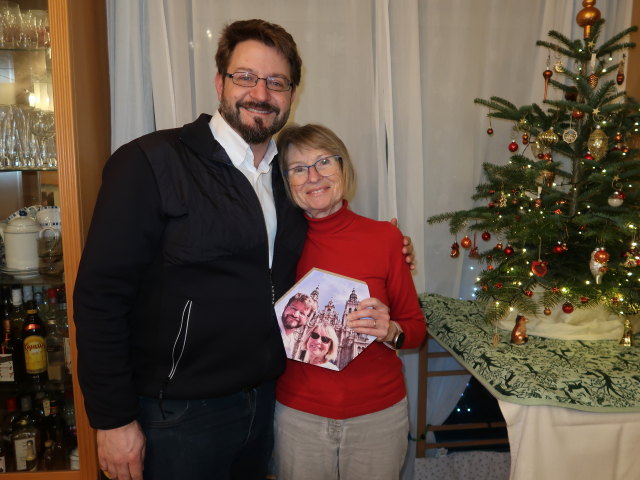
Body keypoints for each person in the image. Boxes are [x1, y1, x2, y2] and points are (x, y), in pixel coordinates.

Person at [73, 19, 414, 480]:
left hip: (264, 403)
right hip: (175, 414)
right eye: (246, 77)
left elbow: (316, 247)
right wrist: (112, 418)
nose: (261, 93)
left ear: (292, 94)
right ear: (220, 82)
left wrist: (389, 248)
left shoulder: (287, 178)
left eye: (277, 82)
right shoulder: (150, 162)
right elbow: (100, 298)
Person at [274, 123, 427, 480]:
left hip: (378, 416)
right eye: (298, 168)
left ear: (343, 167)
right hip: (298, 416)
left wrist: (390, 331)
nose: (314, 176)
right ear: (285, 181)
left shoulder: (385, 238)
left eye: (324, 161)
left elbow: (416, 329)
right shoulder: (274, 245)